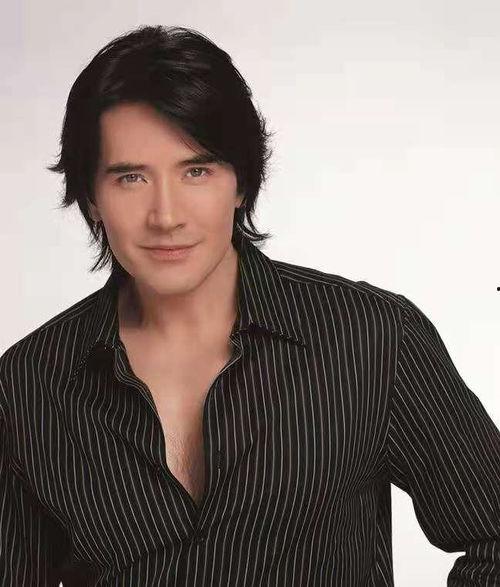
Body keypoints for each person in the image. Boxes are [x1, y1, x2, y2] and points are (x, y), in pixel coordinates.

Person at [0, 24, 498, 587]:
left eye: (196, 171)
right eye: (131, 178)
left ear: (240, 183)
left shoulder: (372, 337)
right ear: (91, 198)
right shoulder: (27, 384)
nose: (166, 216)